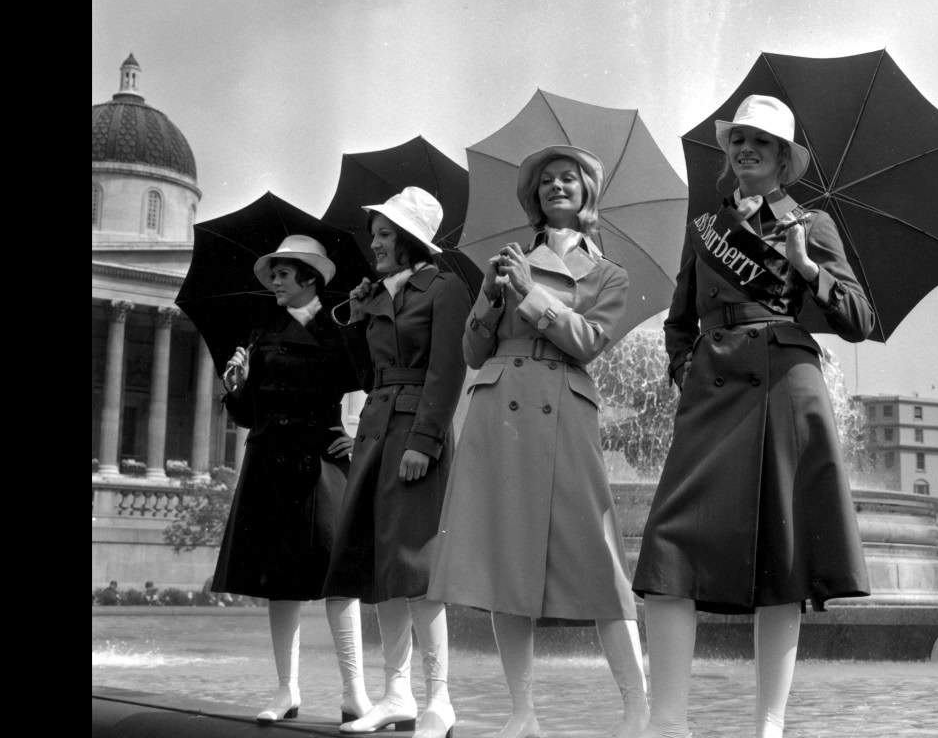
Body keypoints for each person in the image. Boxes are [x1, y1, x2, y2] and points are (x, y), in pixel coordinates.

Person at [631, 94, 876, 738]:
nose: (745, 150)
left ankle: (769, 726)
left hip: (784, 385)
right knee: (670, 549)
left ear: (783, 159)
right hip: (715, 389)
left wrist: (804, 269)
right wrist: (685, 369)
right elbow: (679, 320)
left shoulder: (812, 224)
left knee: (784, 555)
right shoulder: (705, 228)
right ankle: (668, 723)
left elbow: (858, 319)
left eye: (760, 144)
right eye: (738, 140)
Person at [427, 145, 648, 738]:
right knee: (504, 566)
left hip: (564, 415)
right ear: (534, 197)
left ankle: (638, 709)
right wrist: (492, 297)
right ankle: (522, 713)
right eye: (546, 180)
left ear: (586, 195)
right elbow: (473, 353)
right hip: (499, 414)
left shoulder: (608, 273)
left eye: (568, 179)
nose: (556, 187)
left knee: (600, 564)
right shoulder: (508, 262)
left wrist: (529, 292)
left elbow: (589, 341)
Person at [323, 187, 470, 738]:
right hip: (376, 435)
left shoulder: (445, 287)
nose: (376, 244)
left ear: (411, 240)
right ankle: (397, 695)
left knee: (414, 567)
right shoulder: (379, 295)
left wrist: (425, 441)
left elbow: (447, 370)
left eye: (386, 235)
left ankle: (440, 702)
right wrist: (357, 317)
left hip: (413, 436)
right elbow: (365, 377)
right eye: (375, 235)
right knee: (381, 568)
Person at [210, 234, 375, 725]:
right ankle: (286, 692)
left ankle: (355, 696)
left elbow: (376, 379)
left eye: (282, 274)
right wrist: (234, 389)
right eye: (274, 274)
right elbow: (247, 413)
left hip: (321, 465)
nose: (274, 282)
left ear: (310, 278)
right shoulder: (263, 331)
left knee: (338, 580)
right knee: (278, 583)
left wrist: (361, 435)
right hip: (268, 464)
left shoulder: (342, 328)